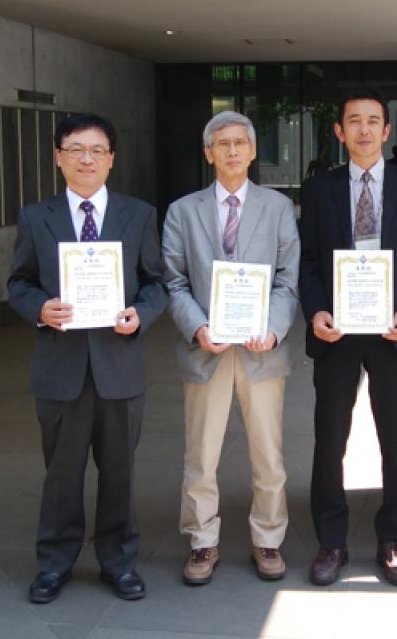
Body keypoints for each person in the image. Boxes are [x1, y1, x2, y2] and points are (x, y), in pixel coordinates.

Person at [7, 113, 168, 604]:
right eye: (76, 149)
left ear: (111, 159)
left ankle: (119, 563)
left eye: (97, 150)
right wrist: (40, 309)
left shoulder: (138, 214)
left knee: (120, 474)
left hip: (119, 367)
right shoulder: (36, 217)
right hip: (61, 369)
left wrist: (140, 315)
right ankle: (54, 563)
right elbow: (19, 283)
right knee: (62, 474)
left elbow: (156, 283)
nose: (86, 159)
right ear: (59, 157)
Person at [299, 87, 397, 587]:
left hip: (390, 332)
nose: (363, 129)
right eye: (353, 121)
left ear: (386, 130)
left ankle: (392, 539)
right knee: (329, 438)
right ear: (339, 131)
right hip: (336, 333)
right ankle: (331, 542)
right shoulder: (319, 189)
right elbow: (308, 261)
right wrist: (316, 311)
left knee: (395, 440)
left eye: (372, 121)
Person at [161, 111, 299, 586]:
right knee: (201, 455)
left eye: (241, 143)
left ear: (254, 151)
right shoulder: (183, 211)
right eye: (223, 144)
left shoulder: (278, 208)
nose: (233, 151)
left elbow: (288, 278)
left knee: (268, 455)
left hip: (263, 350)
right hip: (208, 351)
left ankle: (269, 538)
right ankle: (202, 539)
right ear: (209, 153)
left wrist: (274, 328)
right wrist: (198, 327)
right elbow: (174, 281)